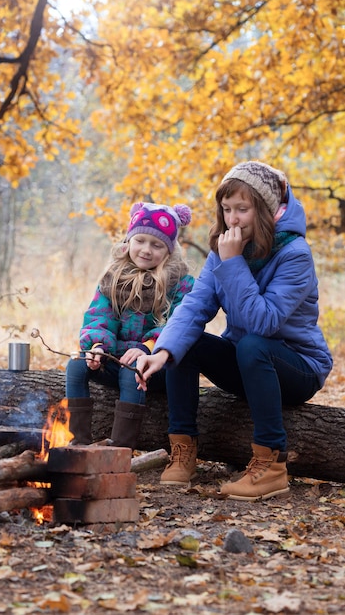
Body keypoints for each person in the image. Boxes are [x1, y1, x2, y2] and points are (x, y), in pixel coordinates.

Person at [136, 161, 333, 500]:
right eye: (227, 209)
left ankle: (271, 465)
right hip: (248, 362)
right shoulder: (224, 249)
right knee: (189, 343)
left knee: (254, 344)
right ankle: (182, 446)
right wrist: (162, 352)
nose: (233, 219)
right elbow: (195, 306)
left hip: (297, 368)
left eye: (243, 209)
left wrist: (233, 262)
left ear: (266, 210)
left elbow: (264, 322)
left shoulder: (295, 255)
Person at [65, 201, 195, 450]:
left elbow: (178, 323)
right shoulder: (113, 278)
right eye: (140, 241)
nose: (146, 250)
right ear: (129, 242)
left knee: (131, 368)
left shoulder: (180, 284)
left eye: (156, 245)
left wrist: (147, 347)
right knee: (76, 365)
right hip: (115, 357)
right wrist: (98, 346)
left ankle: (121, 448)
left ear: (169, 251)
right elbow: (99, 317)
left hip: (158, 366)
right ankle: (78, 443)